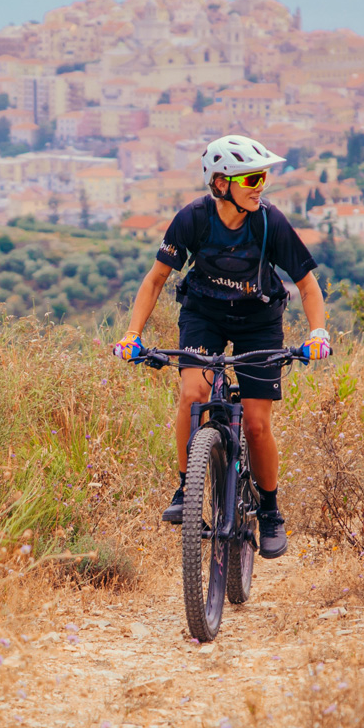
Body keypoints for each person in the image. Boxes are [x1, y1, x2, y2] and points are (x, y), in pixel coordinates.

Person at [110, 135, 332, 560]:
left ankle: (269, 511)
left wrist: (317, 333)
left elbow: (307, 285)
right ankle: (186, 487)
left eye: (263, 176)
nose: (260, 185)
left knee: (256, 423)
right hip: (204, 316)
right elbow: (155, 279)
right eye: (251, 177)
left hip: (260, 320)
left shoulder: (271, 222)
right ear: (220, 184)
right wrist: (132, 334)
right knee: (192, 394)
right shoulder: (192, 219)